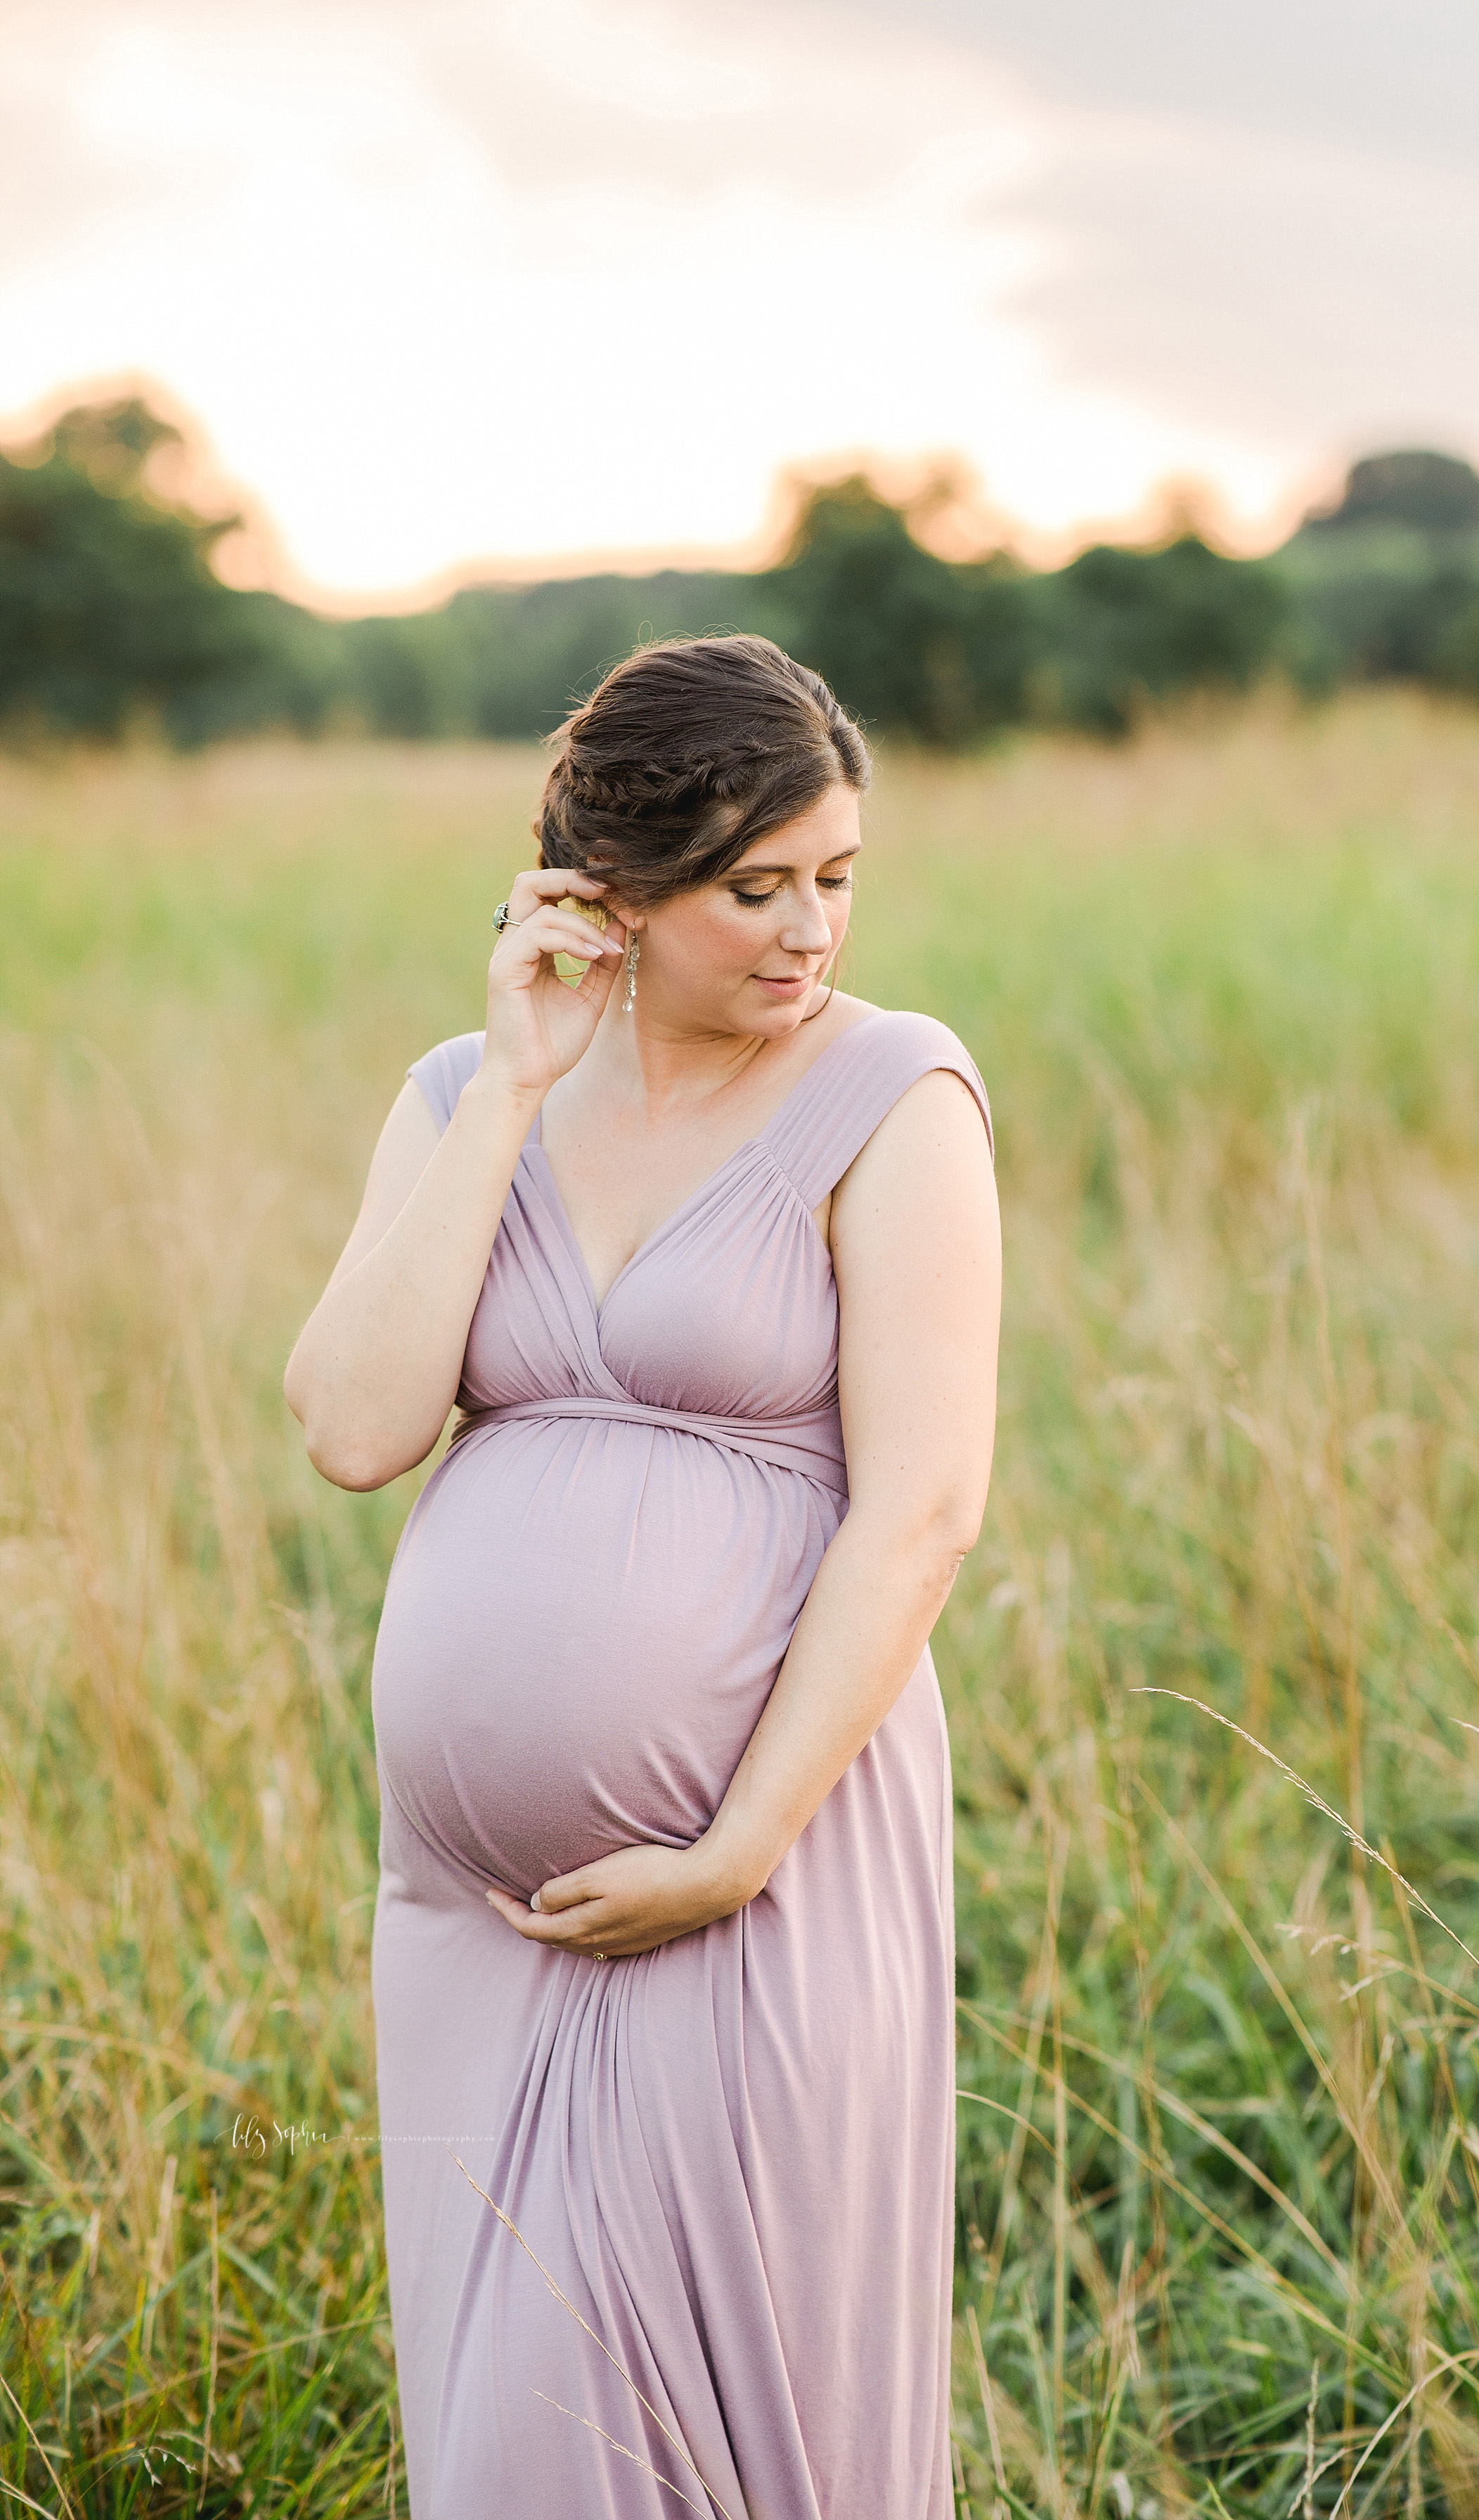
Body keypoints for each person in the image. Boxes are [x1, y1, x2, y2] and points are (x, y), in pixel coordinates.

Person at [283, 635, 1002, 2520]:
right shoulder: (463, 1095)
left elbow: (921, 1512)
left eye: (834, 878)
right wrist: (517, 1085)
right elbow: (357, 1428)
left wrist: (740, 1843)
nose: (806, 932)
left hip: (761, 1872)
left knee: (741, 2408)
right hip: (472, 1921)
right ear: (612, 891)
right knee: (513, 2428)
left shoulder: (892, 1099)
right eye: (752, 888)